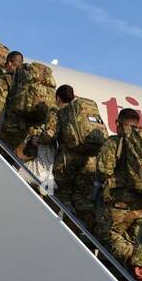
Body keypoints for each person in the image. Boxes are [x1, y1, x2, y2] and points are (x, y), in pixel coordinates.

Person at [93, 109, 142, 265]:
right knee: (136, 240)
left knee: (105, 234)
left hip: (120, 204)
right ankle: (138, 269)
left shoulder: (115, 142)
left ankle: (131, 260)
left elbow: (104, 171)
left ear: (118, 123)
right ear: (137, 124)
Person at [52, 84, 108, 225]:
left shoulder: (62, 113)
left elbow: (52, 135)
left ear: (58, 98)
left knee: (63, 195)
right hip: (90, 161)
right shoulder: (83, 110)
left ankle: (64, 226)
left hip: (68, 160)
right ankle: (90, 227)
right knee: (82, 198)